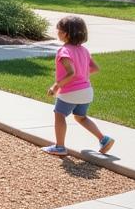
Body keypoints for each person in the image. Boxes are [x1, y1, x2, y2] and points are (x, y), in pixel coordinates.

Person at [40, 15, 114, 156]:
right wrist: (82, 75)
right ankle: (104, 139)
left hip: (70, 92)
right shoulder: (84, 50)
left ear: (66, 34)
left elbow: (71, 73)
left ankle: (60, 147)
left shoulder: (64, 51)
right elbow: (95, 68)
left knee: (59, 115)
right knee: (81, 117)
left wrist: (56, 86)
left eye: (59, 30)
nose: (57, 32)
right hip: (86, 91)